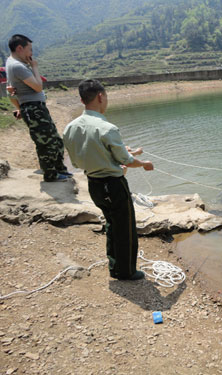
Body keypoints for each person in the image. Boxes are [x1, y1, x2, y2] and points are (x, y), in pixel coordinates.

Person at [63, 79, 154, 281]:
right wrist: (144, 163)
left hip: (94, 184)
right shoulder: (107, 128)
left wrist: (127, 154)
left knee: (112, 224)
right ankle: (126, 272)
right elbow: (126, 161)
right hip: (113, 186)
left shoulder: (70, 128)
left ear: (81, 99)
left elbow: (83, 158)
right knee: (125, 228)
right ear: (101, 97)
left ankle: (115, 265)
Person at [5, 34, 71, 182]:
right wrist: (35, 67)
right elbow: (37, 86)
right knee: (45, 143)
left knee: (56, 141)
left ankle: (60, 169)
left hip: (34, 108)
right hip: (34, 109)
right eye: (30, 49)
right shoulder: (17, 66)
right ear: (20, 48)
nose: (32, 54)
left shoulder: (12, 63)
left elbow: (10, 91)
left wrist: (20, 108)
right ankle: (51, 175)